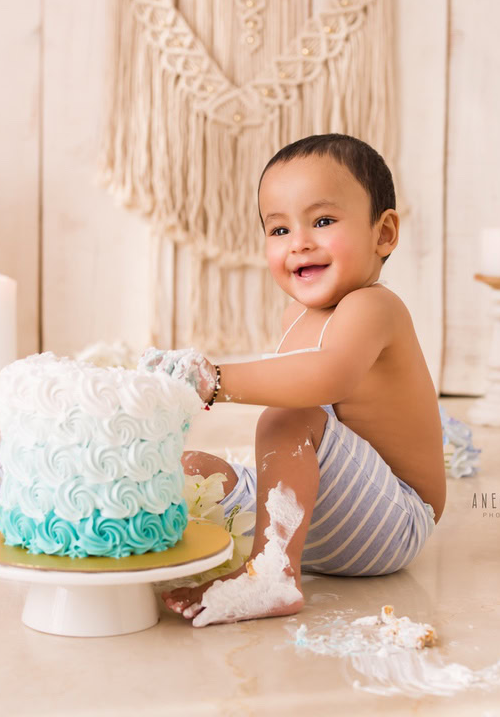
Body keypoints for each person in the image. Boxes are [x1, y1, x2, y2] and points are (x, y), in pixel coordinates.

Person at [141, 133, 446, 628]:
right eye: (278, 229)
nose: (299, 242)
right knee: (192, 468)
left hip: (393, 521)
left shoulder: (374, 307)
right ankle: (123, 543)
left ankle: (272, 573)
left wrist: (214, 380)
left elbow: (326, 378)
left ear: (384, 233)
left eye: (323, 221)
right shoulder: (295, 315)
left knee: (290, 416)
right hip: (325, 516)